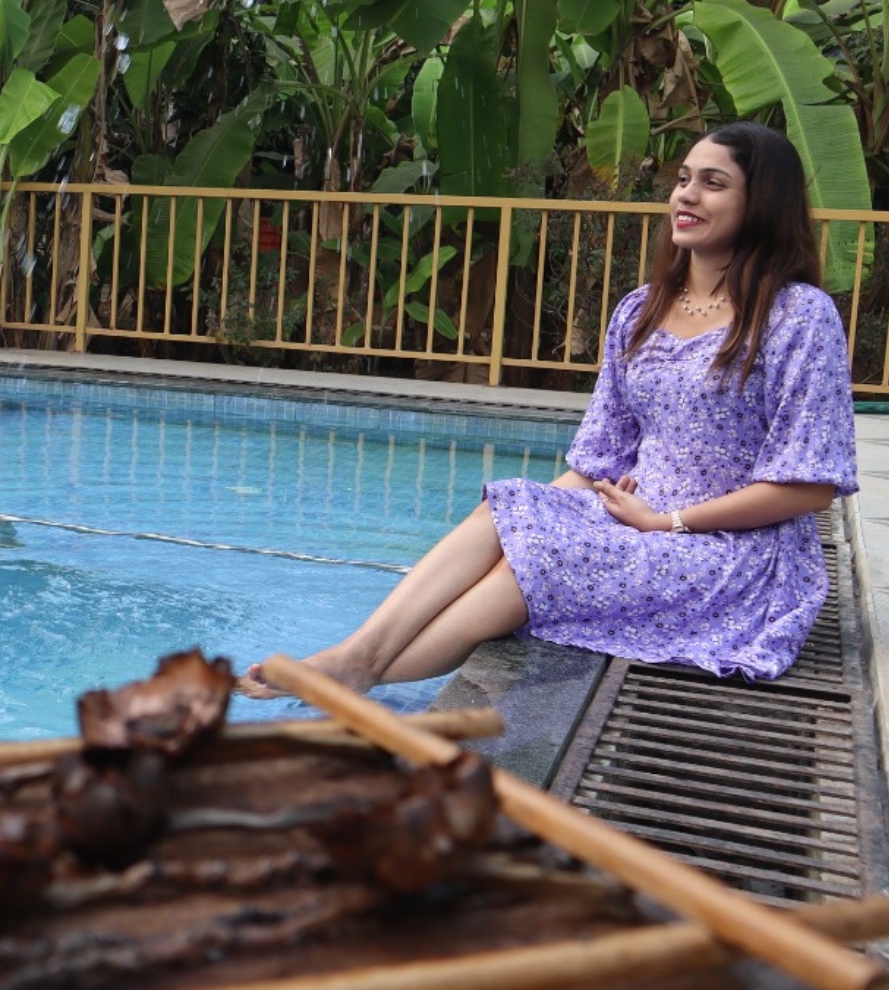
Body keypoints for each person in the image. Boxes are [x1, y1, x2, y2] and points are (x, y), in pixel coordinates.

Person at [247, 121, 859, 696]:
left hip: (734, 551)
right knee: (509, 509)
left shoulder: (797, 316)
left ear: (761, 203)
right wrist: (529, 514)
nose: (686, 195)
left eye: (713, 183)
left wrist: (668, 522)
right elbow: (599, 459)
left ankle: (359, 673)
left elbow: (808, 486)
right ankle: (356, 658)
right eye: (683, 179)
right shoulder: (640, 310)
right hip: (635, 521)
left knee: (541, 557)